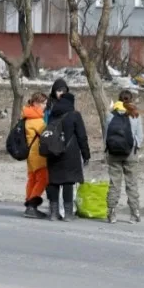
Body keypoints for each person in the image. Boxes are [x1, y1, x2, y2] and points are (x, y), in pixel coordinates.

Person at [45, 92, 91, 222]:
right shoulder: (75, 115)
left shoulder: (52, 114)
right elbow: (82, 136)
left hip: (52, 151)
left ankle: (54, 214)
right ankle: (68, 214)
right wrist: (86, 154)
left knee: (54, 181)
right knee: (68, 181)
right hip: (70, 153)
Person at [104, 90, 144, 224]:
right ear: (130, 100)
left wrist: (107, 150)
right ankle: (135, 213)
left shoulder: (110, 115)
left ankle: (111, 213)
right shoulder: (134, 114)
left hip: (113, 153)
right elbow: (140, 136)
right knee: (131, 183)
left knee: (114, 183)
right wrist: (136, 147)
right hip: (130, 153)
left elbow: (106, 136)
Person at [22, 92, 49, 219]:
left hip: (30, 155)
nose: (45, 106)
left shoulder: (27, 117)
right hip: (38, 154)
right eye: (44, 103)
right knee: (43, 178)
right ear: (36, 104)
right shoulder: (36, 120)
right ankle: (32, 205)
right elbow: (47, 134)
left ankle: (29, 204)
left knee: (32, 179)